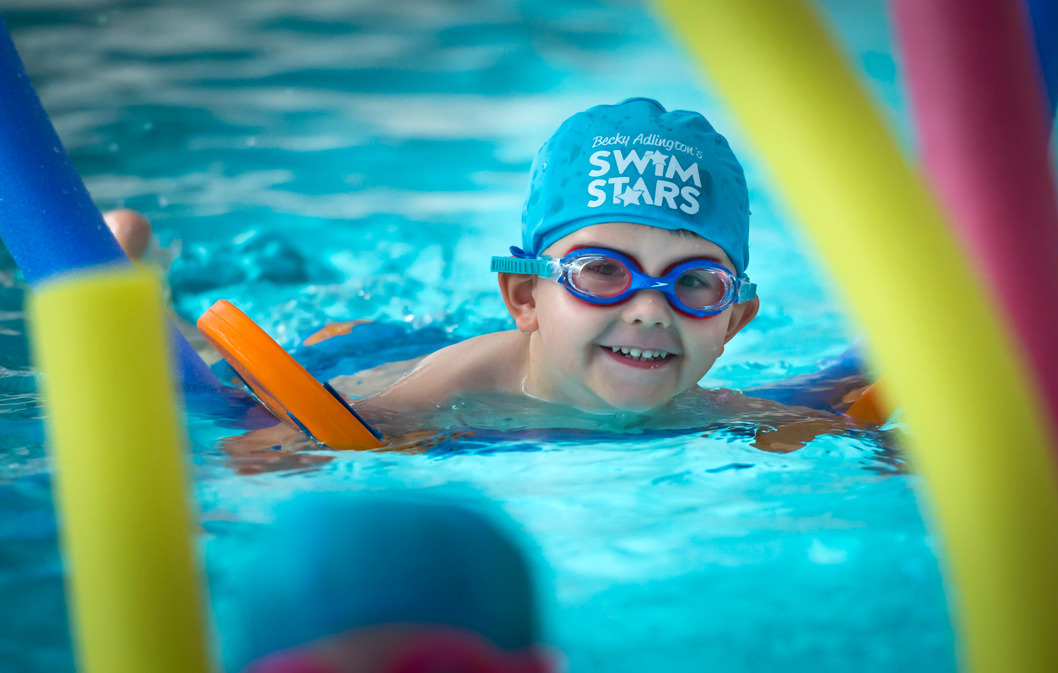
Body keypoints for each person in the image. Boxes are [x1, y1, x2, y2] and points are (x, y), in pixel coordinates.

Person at [108, 98, 878, 456]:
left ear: (733, 320)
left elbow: (815, 417)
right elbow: (280, 439)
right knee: (210, 398)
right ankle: (133, 285)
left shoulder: (706, 406)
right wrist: (279, 449)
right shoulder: (456, 388)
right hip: (357, 359)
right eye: (601, 272)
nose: (650, 310)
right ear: (524, 296)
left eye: (695, 283)